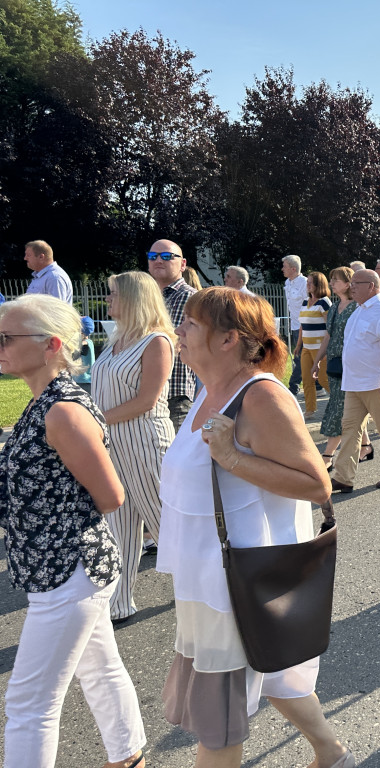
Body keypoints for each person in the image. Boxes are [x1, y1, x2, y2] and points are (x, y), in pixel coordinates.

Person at [156, 287, 353, 768]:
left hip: (238, 578)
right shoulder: (209, 390)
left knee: (217, 719)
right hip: (207, 576)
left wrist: (231, 457)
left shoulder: (261, 396)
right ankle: (332, 752)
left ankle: (331, 752)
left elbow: (317, 485)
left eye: (191, 325)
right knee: (270, 670)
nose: (178, 330)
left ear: (228, 339)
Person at [0, 294, 146, 768]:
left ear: (51, 345)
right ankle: (129, 757)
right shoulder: (44, 401)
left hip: (69, 569)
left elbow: (112, 496)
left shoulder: (63, 410)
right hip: (60, 568)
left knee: (29, 703)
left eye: (6, 337)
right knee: (100, 670)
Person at [92, 272, 176, 624]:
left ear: (133, 298)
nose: (107, 300)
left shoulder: (156, 341)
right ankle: (116, 605)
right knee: (117, 527)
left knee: (166, 523)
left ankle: (213, 586)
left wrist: (94, 421)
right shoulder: (116, 339)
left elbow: (146, 400)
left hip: (145, 442)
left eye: (113, 294)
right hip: (112, 444)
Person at [329, 269, 380, 493]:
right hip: (354, 384)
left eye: (356, 283)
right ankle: (343, 477)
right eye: (351, 283)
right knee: (350, 429)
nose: (351, 287)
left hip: (377, 383)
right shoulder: (358, 311)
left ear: (372, 286)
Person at [147, 239, 198, 431]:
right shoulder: (148, 298)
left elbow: (174, 344)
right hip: (146, 396)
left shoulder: (190, 298)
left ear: (183, 264)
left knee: (174, 460)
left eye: (167, 256)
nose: (158, 260)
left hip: (174, 396)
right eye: (153, 256)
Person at [311, 267, 357, 470]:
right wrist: (317, 360)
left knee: (340, 406)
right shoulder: (335, 307)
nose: (331, 283)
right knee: (345, 406)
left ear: (348, 284)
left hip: (352, 364)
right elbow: (328, 336)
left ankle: (327, 456)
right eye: (331, 280)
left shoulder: (357, 307)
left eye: (336, 280)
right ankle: (365, 446)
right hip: (335, 363)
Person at [297, 272, 331, 418]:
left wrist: (327, 350)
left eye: (311, 283)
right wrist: (298, 345)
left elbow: (330, 327)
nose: (308, 285)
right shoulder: (305, 302)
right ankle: (310, 410)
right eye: (307, 282)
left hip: (320, 349)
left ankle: (344, 401)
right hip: (306, 347)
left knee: (323, 379)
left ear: (319, 285)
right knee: (306, 379)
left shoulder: (324, 302)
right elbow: (302, 326)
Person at [282, 255, 308, 398]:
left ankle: (293, 386)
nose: (282, 269)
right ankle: (316, 385)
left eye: (285, 266)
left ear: (293, 268)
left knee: (300, 357)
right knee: (300, 357)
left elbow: (308, 303)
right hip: (295, 325)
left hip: (305, 326)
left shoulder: (304, 283)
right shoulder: (288, 282)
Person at [73, 315, 97, 393]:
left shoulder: (87, 343)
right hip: (80, 379)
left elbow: (81, 346)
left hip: (85, 380)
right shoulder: (85, 342)